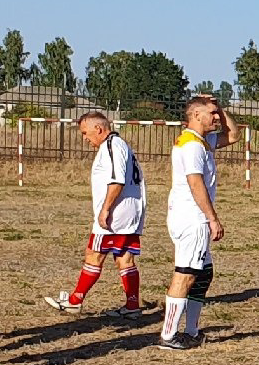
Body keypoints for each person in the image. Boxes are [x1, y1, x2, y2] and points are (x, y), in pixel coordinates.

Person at [42, 111, 148, 317]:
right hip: (130, 212)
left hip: (116, 214)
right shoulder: (120, 145)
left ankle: (75, 301)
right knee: (125, 258)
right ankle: (132, 306)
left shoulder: (111, 146)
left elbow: (117, 180)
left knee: (94, 254)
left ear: (98, 129)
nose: (84, 138)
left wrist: (105, 209)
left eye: (85, 133)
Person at [158, 95, 235, 349]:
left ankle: (191, 330)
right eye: (211, 113)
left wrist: (220, 108)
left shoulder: (203, 141)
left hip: (191, 216)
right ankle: (168, 335)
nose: (216, 117)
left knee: (204, 273)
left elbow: (233, 135)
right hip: (192, 218)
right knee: (186, 274)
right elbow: (195, 182)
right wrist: (212, 218)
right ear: (195, 115)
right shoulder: (192, 145)